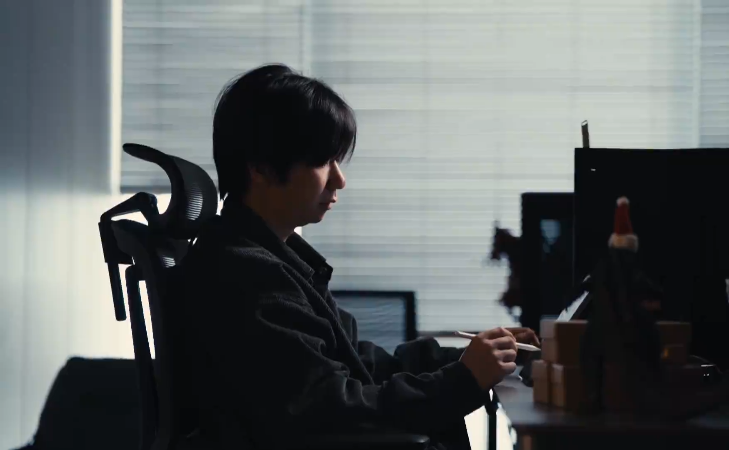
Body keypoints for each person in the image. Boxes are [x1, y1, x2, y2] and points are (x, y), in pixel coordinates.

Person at [179, 64, 540, 450]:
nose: (339, 179)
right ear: (261, 168)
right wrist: (463, 379)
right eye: (322, 161)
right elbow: (333, 410)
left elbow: (362, 366)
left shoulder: (274, 261)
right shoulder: (248, 275)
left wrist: (470, 358)